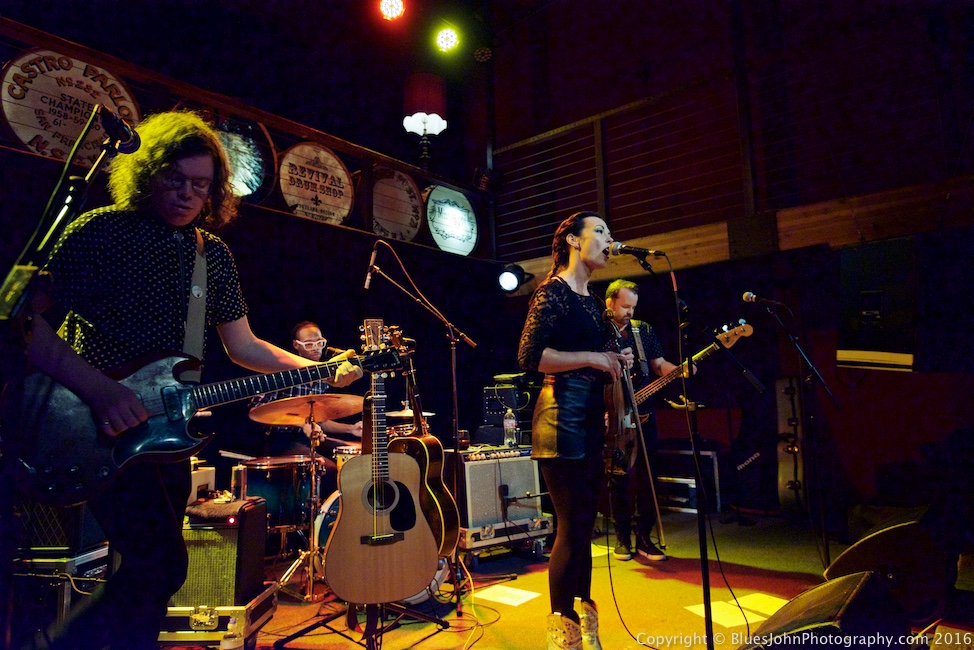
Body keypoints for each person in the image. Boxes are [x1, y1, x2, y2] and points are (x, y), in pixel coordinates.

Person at [16, 111, 362, 650]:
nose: (185, 194)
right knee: (158, 564)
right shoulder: (100, 231)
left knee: (151, 573)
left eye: (199, 186)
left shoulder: (210, 254)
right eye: (174, 179)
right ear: (146, 173)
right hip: (95, 425)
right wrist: (102, 390)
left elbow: (242, 346)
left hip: (167, 436)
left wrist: (318, 370)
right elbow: (22, 325)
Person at [518, 211, 631, 650]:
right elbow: (530, 356)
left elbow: (602, 355)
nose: (609, 239)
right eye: (601, 231)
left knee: (586, 523)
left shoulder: (592, 300)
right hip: (559, 414)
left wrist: (616, 359)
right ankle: (561, 630)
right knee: (570, 524)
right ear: (572, 240)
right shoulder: (553, 292)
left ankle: (583, 618)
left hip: (589, 418)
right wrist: (593, 358)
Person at [604, 279, 689, 562]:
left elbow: (658, 365)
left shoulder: (644, 331)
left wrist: (678, 370)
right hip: (612, 413)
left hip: (645, 411)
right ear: (610, 303)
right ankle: (621, 537)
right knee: (618, 476)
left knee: (648, 475)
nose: (630, 312)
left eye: (633, 307)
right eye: (625, 306)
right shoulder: (598, 331)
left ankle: (644, 536)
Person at [248, 320, 363, 497]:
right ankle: (324, 519)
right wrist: (301, 423)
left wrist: (350, 429)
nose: (316, 348)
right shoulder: (280, 371)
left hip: (308, 439)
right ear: (296, 345)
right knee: (328, 469)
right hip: (281, 440)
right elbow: (258, 410)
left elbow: (321, 421)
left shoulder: (323, 375)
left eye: (320, 343)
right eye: (309, 344)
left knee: (357, 456)